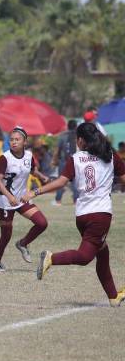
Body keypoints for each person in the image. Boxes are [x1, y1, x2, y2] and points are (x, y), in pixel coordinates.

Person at [23, 123, 125, 307]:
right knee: (85, 256)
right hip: (100, 216)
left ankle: (113, 296)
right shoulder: (110, 155)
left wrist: (35, 192)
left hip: (82, 215)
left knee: (103, 252)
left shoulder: (75, 158)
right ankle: (51, 258)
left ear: (81, 140)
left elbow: (60, 182)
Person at [0, 127, 50, 272]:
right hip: (6, 201)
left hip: (22, 199)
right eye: (11, 139)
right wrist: (9, 197)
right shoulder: (5, 158)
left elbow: (32, 170)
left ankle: (23, 243)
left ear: (24, 142)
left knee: (42, 223)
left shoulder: (29, 156)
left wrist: (42, 176)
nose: (14, 142)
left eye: (17, 139)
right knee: (6, 236)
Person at [51, 119, 78, 206]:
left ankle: (58, 201)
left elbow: (57, 150)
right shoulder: (78, 136)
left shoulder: (63, 136)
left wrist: (55, 161)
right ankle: (76, 200)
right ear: (76, 126)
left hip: (64, 161)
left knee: (60, 181)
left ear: (68, 126)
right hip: (75, 161)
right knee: (75, 181)